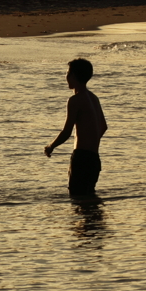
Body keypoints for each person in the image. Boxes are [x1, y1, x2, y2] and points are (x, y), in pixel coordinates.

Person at [44, 57, 107, 197]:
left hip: (81, 158)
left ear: (73, 76)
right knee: (90, 200)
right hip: (94, 158)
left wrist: (51, 146)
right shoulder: (94, 98)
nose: (66, 77)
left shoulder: (75, 100)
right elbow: (103, 127)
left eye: (68, 73)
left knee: (77, 199)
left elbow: (67, 132)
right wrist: (90, 140)